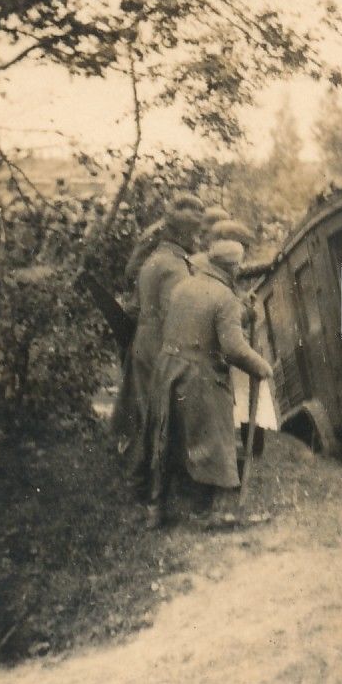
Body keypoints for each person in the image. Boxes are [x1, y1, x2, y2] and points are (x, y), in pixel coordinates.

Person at [145, 238, 273, 528]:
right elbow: (234, 349)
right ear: (232, 269)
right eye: (238, 267)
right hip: (199, 376)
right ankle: (205, 513)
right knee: (210, 441)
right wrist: (261, 367)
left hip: (168, 367)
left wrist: (243, 312)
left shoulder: (184, 285)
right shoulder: (224, 298)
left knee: (166, 439)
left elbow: (201, 318)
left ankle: (156, 509)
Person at [112, 203, 202, 478]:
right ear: (183, 234)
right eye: (194, 233)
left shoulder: (153, 259)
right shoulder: (174, 267)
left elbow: (137, 304)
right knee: (165, 410)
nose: (197, 240)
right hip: (162, 344)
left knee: (145, 409)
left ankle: (140, 471)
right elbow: (177, 313)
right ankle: (158, 477)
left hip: (143, 340)